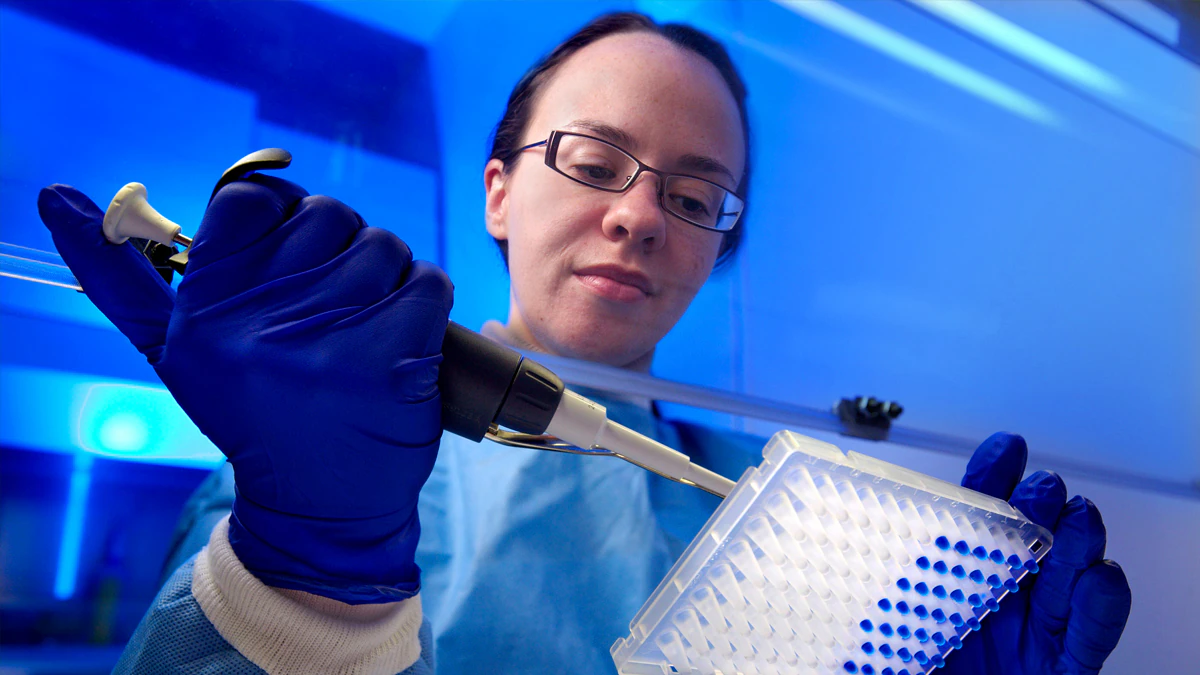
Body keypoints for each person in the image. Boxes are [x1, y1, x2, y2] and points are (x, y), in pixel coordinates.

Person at [37, 11, 1131, 675]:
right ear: (499, 192)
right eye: (596, 161)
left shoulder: (764, 500)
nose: (642, 216)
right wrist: (296, 597)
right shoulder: (314, 450)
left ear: (717, 249)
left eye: (699, 196)